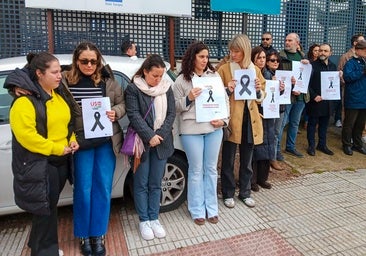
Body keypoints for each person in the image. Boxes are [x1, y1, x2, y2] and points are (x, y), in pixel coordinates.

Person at [5, 52, 79, 256]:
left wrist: (71, 140)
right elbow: (27, 136)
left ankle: (37, 245)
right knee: (46, 210)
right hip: (41, 162)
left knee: (47, 207)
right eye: (54, 72)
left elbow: (67, 123)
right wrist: (56, 148)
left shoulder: (56, 93)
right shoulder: (24, 102)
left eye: (59, 72)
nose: (59, 76)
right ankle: (46, 251)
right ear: (39, 73)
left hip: (60, 161)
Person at [61, 42, 126, 256]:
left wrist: (116, 112)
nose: (89, 65)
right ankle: (83, 234)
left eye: (93, 61)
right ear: (76, 61)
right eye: (84, 61)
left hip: (105, 142)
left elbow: (123, 103)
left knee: (103, 189)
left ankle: (97, 234)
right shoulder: (65, 81)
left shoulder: (108, 80)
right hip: (81, 144)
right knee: (83, 190)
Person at [173, 42, 229, 225]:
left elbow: (225, 100)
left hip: (214, 129)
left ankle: (211, 208)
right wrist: (189, 98)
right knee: (196, 170)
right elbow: (174, 106)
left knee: (211, 169)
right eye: (201, 56)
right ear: (192, 57)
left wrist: (224, 121)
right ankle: (197, 209)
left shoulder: (214, 76)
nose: (205, 60)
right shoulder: (181, 80)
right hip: (192, 130)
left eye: (207, 57)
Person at [125, 54, 176, 240]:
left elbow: (171, 113)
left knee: (156, 183)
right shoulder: (133, 88)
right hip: (142, 143)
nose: (158, 79)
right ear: (145, 71)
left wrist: (160, 135)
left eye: (161, 75)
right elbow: (133, 114)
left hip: (162, 143)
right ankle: (144, 220)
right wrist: (149, 136)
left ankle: (154, 218)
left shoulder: (166, 87)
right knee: (141, 183)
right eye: (155, 75)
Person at [218, 34, 265, 209]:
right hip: (232, 120)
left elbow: (262, 96)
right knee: (228, 159)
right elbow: (215, 94)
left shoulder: (255, 69)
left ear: (244, 51)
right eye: (231, 50)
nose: (233, 54)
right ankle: (228, 192)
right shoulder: (224, 69)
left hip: (251, 120)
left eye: (236, 51)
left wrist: (259, 91)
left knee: (247, 159)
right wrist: (227, 89)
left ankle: (245, 192)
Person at [278, 33, 310, 159]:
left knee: (295, 123)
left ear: (297, 43)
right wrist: (291, 86)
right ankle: (277, 150)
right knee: (282, 123)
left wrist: (308, 65)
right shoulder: (280, 57)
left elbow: (307, 77)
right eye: (286, 40)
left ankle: (290, 147)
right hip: (287, 96)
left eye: (290, 40)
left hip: (301, 96)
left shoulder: (303, 57)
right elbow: (279, 76)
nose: (287, 42)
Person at [306, 43, 341, 156]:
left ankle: (322, 145)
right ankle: (311, 146)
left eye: (325, 51)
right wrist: (313, 95)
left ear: (330, 53)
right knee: (312, 124)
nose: (322, 53)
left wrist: (339, 75)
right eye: (320, 50)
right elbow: (306, 83)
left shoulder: (333, 66)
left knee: (324, 125)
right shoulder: (311, 65)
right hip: (315, 100)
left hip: (328, 101)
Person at [250, 46, 277, 191]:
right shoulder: (250, 73)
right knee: (256, 147)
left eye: (263, 58)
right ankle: (252, 179)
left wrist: (280, 87)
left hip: (269, 112)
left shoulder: (269, 73)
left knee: (267, 145)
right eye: (258, 58)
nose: (261, 61)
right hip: (256, 112)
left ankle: (263, 178)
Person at [341, 40, 366, 156]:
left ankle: (358, 144)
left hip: (364, 99)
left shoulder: (364, 62)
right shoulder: (350, 62)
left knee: (360, 124)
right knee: (349, 123)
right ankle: (346, 144)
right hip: (353, 98)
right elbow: (347, 77)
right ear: (358, 50)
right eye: (364, 50)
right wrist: (361, 72)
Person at [336, 33, 365, 128]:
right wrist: (362, 71)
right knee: (349, 120)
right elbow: (344, 75)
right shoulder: (347, 58)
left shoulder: (363, 60)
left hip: (362, 95)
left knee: (360, 122)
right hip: (351, 92)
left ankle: (358, 138)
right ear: (355, 44)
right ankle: (347, 140)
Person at [263, 51, 286, 167]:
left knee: (276, 132)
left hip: (280, 107)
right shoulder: (267, 74)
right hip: (272, 107)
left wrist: (282, 87)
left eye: (277, 60)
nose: (275, 62)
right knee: (271, 133)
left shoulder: (280, 73)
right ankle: (271, 159)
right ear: (267, 62)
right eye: (272, 60)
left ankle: (272, 157)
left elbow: (280, 93)